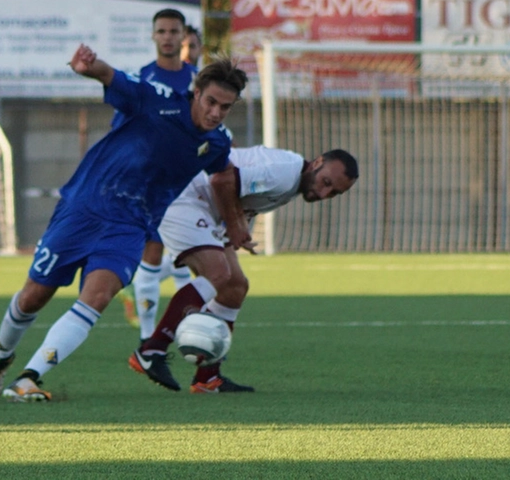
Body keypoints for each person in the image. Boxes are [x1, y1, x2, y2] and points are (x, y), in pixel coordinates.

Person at [0, 46, 247, 401]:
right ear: (196, 92)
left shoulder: (216, 141)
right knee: (33, 296)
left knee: (98, 297)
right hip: (84, 208)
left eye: (224, 107)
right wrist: (87, 67)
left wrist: (235, 222)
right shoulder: (157, 98)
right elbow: (111, 77)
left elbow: (223, 174)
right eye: (211, 101)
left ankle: (28, 378)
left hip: (132, 226)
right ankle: (3, 356)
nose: (215, 113)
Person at [131, 146, 359, 393]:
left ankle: (207, 378)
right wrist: (235, 224)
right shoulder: (285, 174)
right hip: (184, 197)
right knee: (217, 273)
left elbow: (238, 193)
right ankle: (151, 349)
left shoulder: (294, 182)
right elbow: (221, 179)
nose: (324, 193)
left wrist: (237, 227)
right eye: (326, 182)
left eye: (334, 193)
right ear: (317, 162)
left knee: (235, 287)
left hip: (205, 208)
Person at [118, 10, 197, 337]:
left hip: (190, 179)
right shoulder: (142, 81)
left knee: (188, 255)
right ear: (153, 36)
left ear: (183, 37)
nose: (167, 37)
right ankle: (147, 339)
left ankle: (184, 330)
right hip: (151, 181)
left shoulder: (198, 80)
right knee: (153, 251)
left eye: (173, 31)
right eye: (161, 31)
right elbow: (124, 131)